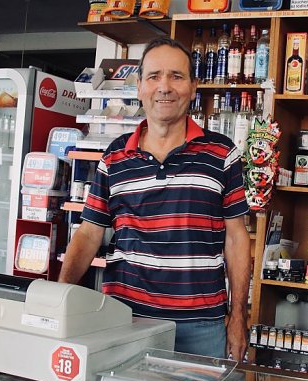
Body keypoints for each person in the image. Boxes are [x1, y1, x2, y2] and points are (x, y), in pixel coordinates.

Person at [58, 37, 252, 361]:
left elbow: (236, 239)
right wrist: (60, 298)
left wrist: (238, 318)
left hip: (202, 326)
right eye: (154, 76)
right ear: (139, 86)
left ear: (193, 87)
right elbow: (89, 233)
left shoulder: (222, 154)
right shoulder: (115, 156)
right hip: (124, 318)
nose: (165, 87)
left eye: (176, 76)